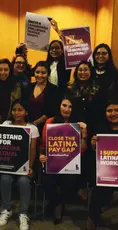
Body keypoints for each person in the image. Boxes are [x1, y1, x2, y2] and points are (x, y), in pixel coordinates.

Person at [39, 95, 87, 225]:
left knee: (70, 180)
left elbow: (82, 151)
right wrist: (41, 156)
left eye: (70, 106)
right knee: (48, 181)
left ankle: (57, 205)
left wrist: (84, 134)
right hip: (53, 162)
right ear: (59, 106)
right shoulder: (50, 122)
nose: (67, 109)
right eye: (64, 105)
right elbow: (43, 145)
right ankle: (58, 203)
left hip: (71, 163)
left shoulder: (78, 124)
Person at [0, 99, 39, 230]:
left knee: (23, 182)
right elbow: (1, 146)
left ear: (26, 112)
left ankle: (23, 213)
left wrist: (30, 167)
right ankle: (7, 209)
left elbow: (33, 150)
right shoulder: (6, 124)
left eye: (20, 110)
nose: (16, 112)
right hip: (9, 166)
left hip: (25, 167)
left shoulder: (32, 128)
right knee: (4, 178)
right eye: (14, 110)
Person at [86, 100, 118, 230]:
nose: (113, 113)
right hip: (106, 171)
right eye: (109, 111)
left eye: (116, 110)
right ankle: (92, 219)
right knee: (98, 187)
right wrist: (94, 145)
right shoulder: (100, 128)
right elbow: (96, 154)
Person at [29, 61, 61, 133]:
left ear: (48, 74)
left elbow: (52, 111)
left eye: (43, 73)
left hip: (45, 127)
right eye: (37, 72)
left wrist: (35, 123)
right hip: (28, 126)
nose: (40, 75)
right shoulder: (29, 87)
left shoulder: (54, 89)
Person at [68, 61, 101, 128]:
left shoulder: (97, 89)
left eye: (86, 70)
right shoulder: (69, 89)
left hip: (93, 125)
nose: (83, 73)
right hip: (73, 124)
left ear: (91, 72)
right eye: (80, 70)